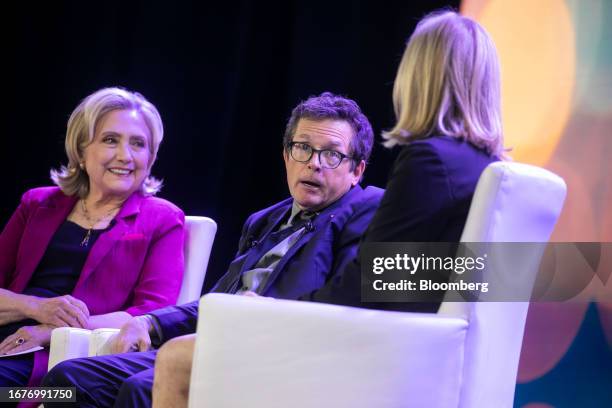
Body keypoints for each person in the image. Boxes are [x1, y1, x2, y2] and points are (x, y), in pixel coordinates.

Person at [43, 92, 383, 407]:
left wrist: (272, 311)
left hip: (271, 354)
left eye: (332, 155)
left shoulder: (369, 211)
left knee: (139, 389)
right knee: (68, 380)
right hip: (207, 343)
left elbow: (350, 306)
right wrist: (150, 322)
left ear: (356, 170)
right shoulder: (264, 220)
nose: (314, 163)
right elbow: (217, 302)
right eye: (303, 148)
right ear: (286, 154)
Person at [310, 10, 505, 312]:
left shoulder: (430, 162)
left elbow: (367, 284)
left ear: (417, 75)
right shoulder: (486, 166)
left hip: (398, 348)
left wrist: (280, 309)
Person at [0, 87, 185, 391]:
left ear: (150, 157)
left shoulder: (163, 219)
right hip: (10, 336)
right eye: (110, 140)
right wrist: (35, 307)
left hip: (66, 367)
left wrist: (50, 330)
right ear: (82, 150)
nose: (125, 156)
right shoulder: (36, 204)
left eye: (138, 144)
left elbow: (151, 315)